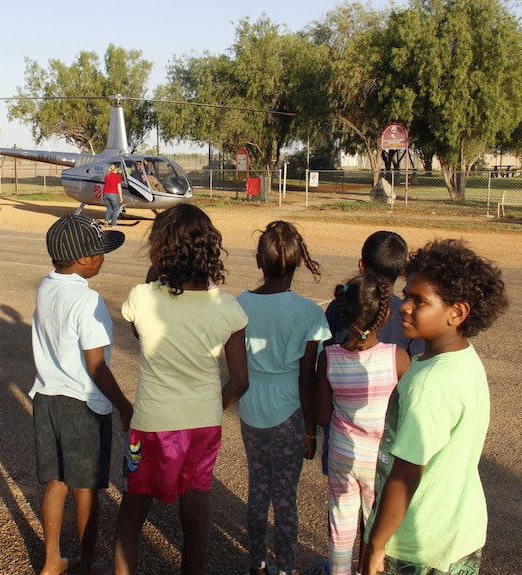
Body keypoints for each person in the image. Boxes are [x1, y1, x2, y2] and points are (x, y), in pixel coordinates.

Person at [113, 204, 249, 575]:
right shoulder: (227, 307)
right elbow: (240, 380)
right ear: (208, 250)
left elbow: (139, 332)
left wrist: (154, 277)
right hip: (203, 424)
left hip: (151, 422)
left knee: (132, 510)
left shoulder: (141, 297)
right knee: (195, 511)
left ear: (159, 252)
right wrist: (207, 407)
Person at [363, 239, 508, 575]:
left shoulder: (426, 383)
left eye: (420, 301)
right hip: (459, 533)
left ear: (456, 313)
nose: (405, 306)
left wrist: (376, 543)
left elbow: (405, 475)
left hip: (417, 544)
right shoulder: (464, 359)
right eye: (407, 294)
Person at [30, 214, 132, 575]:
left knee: (55, 484)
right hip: (82, 406)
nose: (103, 259)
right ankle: (87, 565)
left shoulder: (46, 286)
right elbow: (97, 367)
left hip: (45, 398)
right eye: (101, 253)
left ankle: (51, 560)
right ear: (85, 259)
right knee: (85, 491)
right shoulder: (89, 301)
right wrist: (124, 406)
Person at [236, 220, 331, 575]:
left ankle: (256, 564)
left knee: (257, 488)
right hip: (289, 410)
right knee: (285, 497)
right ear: (296, 263)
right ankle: (286, 568)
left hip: (250, 407)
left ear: (260, 262)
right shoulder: (308, 312)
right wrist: (310, 432)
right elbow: (308, 378)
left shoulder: (240, 303)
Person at [315, 273, 411, 575]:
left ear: (342, 310)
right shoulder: (397, 358)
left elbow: (320, 415)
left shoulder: (328, 358)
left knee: (340, 525)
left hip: (342, 455)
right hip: (379, 460)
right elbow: (407, 413)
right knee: (377, 528)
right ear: (385, 314)